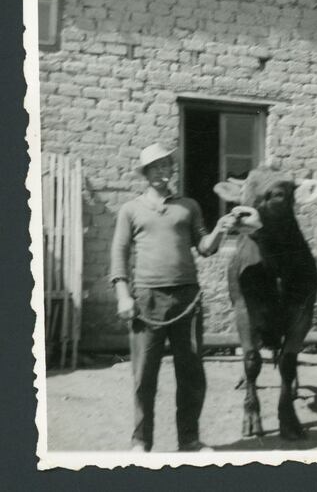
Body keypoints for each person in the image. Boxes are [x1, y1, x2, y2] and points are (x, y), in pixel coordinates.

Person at [110, 143, 236, 452]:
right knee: (144, 375)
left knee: (191, 372)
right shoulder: (130, 209)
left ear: (172, 170)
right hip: (146, 300)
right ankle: (141, 441)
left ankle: (189, 440)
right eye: (154, 168)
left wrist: (220, 228)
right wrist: (123, 295)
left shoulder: (189, 206)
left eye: (166, 166)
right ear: (146, 173)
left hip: (187, 300)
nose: (161, 172)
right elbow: (119, 252)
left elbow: (205, 248)